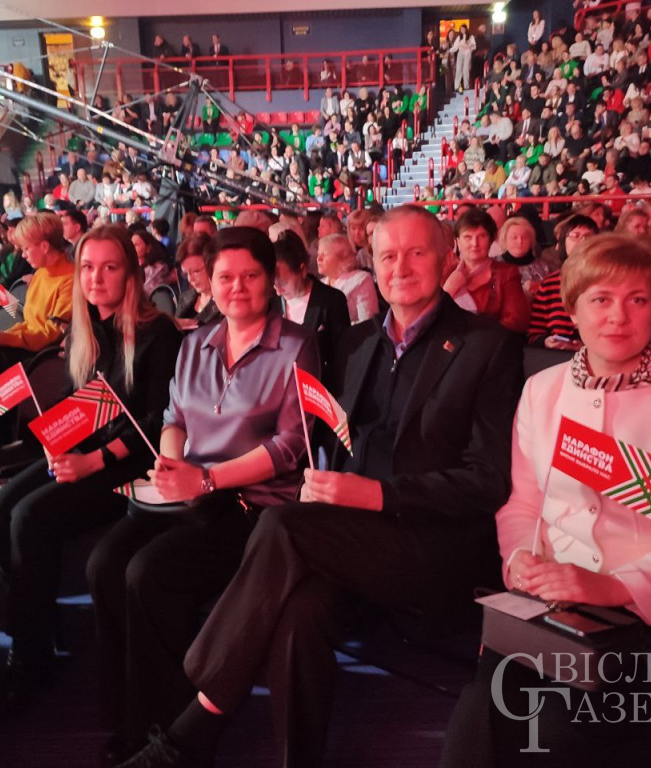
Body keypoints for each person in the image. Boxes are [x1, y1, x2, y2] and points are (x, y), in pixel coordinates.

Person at [113, 205, 523, 768]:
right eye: (387, 256)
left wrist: (375, 495)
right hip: (350, 535)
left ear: (448, 256)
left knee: (283, 527)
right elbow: (320, 437)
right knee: (296, 613)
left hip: (432, 543)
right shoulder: (355, 344)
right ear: (372, 264)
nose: (400, 267)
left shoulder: (487, 345)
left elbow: (488, 481)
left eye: (417, 253)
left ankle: (196, 714)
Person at [440, 233, 651, 768]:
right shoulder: (542, 391)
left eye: (637, 299)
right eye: (600, 299)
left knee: (553, 732)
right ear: (574, 309)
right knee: (478, 717)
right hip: (553, 601)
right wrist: (520, 559)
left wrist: (615, 587)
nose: (617, 316)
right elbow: (523, 503)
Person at [87, 226, 319, 766]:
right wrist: (173, 464)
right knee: (103, 564)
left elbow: (290, 446)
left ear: (271, 279)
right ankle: (131, 712)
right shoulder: (195, 343)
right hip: (189, 492)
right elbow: (173, 419)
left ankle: (169, 728)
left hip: (252, 503)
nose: (237, 287)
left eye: (250, 276)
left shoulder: (296, 345)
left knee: (149, 572)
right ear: (208, 283)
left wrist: (207, 480)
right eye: (224, 277)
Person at [0, 225, 182, 704]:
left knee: (29, 516)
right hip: (85, 452)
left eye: (110, 267)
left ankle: (29, 657)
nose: (96, 278)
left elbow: (155, 423)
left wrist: (93, 461)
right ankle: (38, 617)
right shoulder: (84, 330)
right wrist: (56, 442)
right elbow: (77, 404)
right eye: (87, 267)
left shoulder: (156, 333)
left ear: (129, 274)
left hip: (132, 463)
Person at [0, 213, 75, 374]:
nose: (23, 255)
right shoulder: (41, 273)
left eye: (26, 248)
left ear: (44, 247)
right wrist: (0, 336)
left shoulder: (70, 279)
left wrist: (1, 337)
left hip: (45, 358)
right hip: (28, 347)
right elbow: (30, 324)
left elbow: (51, 334)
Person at [272, 230, 350, 373]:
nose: (278, 291)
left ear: (302, 270)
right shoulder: (272, 302)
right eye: (274, 284)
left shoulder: (331, 300)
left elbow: (342, 356)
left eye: (283, 283)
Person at [443, 209, 529, 333]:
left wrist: (474, 336)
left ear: (490, 241)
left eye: (481, 236)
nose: (474, 243)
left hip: (495, 342)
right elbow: (429, 319)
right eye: (468, 237)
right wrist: (449, 289)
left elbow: (516, 321)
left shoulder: (506, 273)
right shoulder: (446, 272)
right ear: (458, 241)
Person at [527, 213, 600, 348]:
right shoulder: (549, 284)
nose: (582, 241)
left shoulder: (605, 282)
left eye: (588, 236)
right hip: (555, 355)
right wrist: (546, 341)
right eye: (575, 235)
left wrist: (584, 346)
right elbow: (534, 334)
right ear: (563, 243)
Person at [316, 233, 378, 324]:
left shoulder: (360, 280)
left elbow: (368, 323)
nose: (318, 259)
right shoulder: (320, 285)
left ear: (343, 258)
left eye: (324, 254)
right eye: (318, 254)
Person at [494, 216, 551, 300]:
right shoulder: (493, 265)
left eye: (524, 237)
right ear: (505, 240)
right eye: (514, 237)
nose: (520, 241)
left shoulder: (543, 266)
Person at [173, 234, 220, 330]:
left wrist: (196, 324)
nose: (190, 279)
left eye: (196, 271)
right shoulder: (185, 297)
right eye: (186, 274)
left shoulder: (223, 302)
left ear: (213, 265)